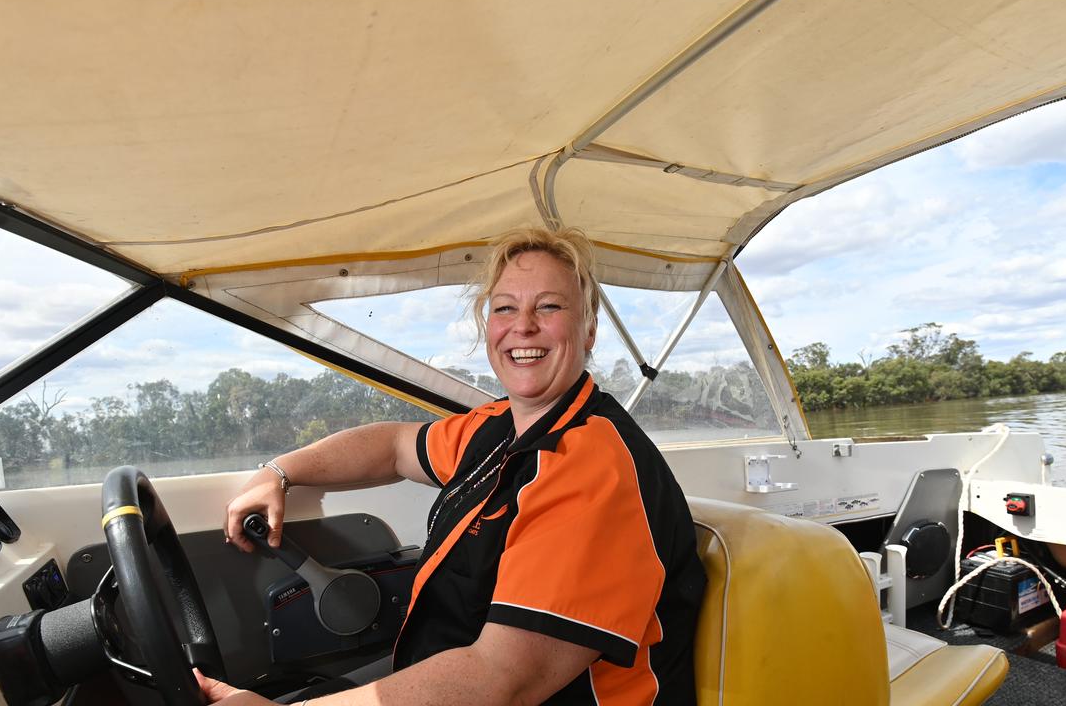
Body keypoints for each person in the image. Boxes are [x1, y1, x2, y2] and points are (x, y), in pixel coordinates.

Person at [207, 226, 706, 705]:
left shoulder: (593, 465)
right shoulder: (497, 428)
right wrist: (278, 472)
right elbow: (395, 446)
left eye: (549, 307)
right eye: (505, 308)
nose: (523, 326)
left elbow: (503, 680)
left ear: (590, 329)